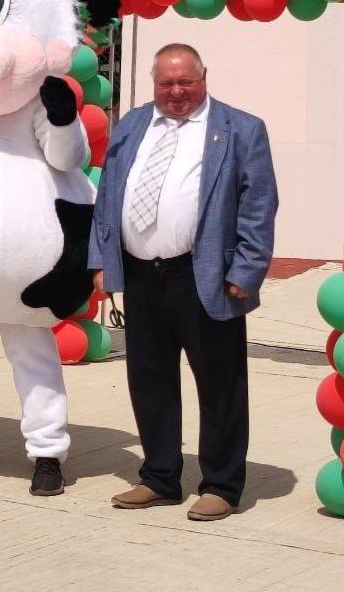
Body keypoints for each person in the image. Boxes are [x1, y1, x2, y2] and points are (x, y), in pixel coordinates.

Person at [89, 43, 277, 522]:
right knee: (149, 379)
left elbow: (259, 204)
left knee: (220, 384)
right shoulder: (132, 124)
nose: (175, 92)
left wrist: (248, 270)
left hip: (207, 275)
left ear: (203, 77)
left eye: (185, 82)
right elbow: (108, 193)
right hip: (141, 273)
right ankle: (159, 477)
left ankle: (221, 485)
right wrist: (102, 261)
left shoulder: (240, 129)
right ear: (154, 82)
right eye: (166, 83)